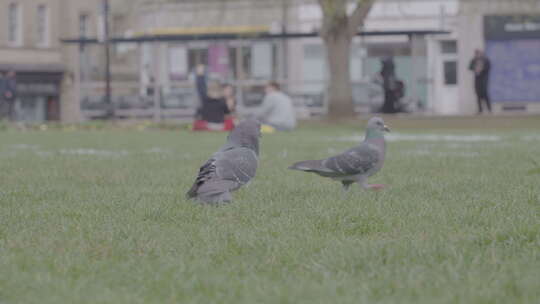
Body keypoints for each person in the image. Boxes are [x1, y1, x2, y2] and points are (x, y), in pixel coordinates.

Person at [193, 64, 233, 131]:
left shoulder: (205, 99)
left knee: (198, 123)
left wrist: (200, 75)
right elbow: (227, 113)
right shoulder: (222, 100)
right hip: (220, 126)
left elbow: (200, 88)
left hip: (207, 125)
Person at [469, 49, 491, 114]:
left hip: (484, 79)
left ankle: (489, 109)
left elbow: (488, 67)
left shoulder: (485, 60)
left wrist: (481, 69)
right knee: (478, 94)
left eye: (478, 53)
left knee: (485, 93)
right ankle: (480, 110)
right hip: (477, 80)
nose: (477, 55)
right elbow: (470, 67)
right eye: (476, 54)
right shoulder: (474, 60)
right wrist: (475, 69)